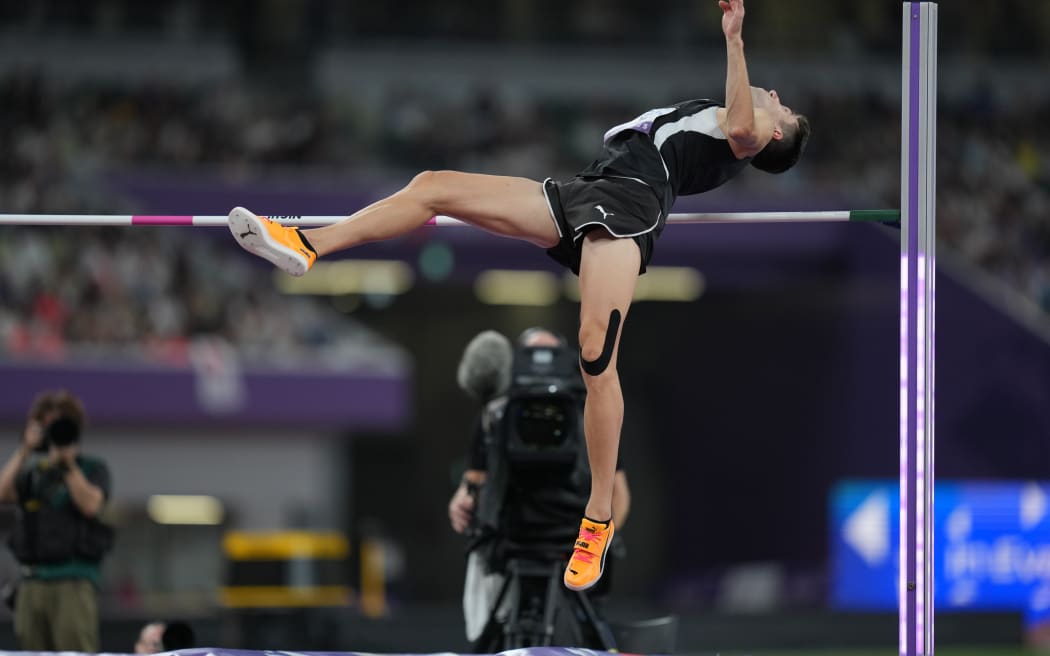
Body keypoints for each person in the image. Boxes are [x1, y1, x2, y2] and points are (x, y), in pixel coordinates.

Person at [228, 0, 808, 591]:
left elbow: (741, 127)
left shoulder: (752, 130)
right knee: (433, 187)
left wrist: (734, 37)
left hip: (626, 209)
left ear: (777, 132)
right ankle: (306, 245)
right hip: (586, 191)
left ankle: (598, 518)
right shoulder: (719, 115)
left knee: (594, 356)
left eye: (783, 108)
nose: (776, 98)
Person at [448, 328, 631, 644]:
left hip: (574, 545)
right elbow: (474, 480)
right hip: (512, 542)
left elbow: (618, 490)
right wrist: (461, 500)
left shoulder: (594, 413)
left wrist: (599, 544)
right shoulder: (497, 414)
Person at [0, 390, 113, 651]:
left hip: (72, 581)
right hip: (32, 581)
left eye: (60, 424)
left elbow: (91, 506)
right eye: (47, 425)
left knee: (73, 651)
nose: (54, 432)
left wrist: (68, 464)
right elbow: (3, 494)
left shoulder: (91, 468)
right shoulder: (34, 473)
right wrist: (25, 449)